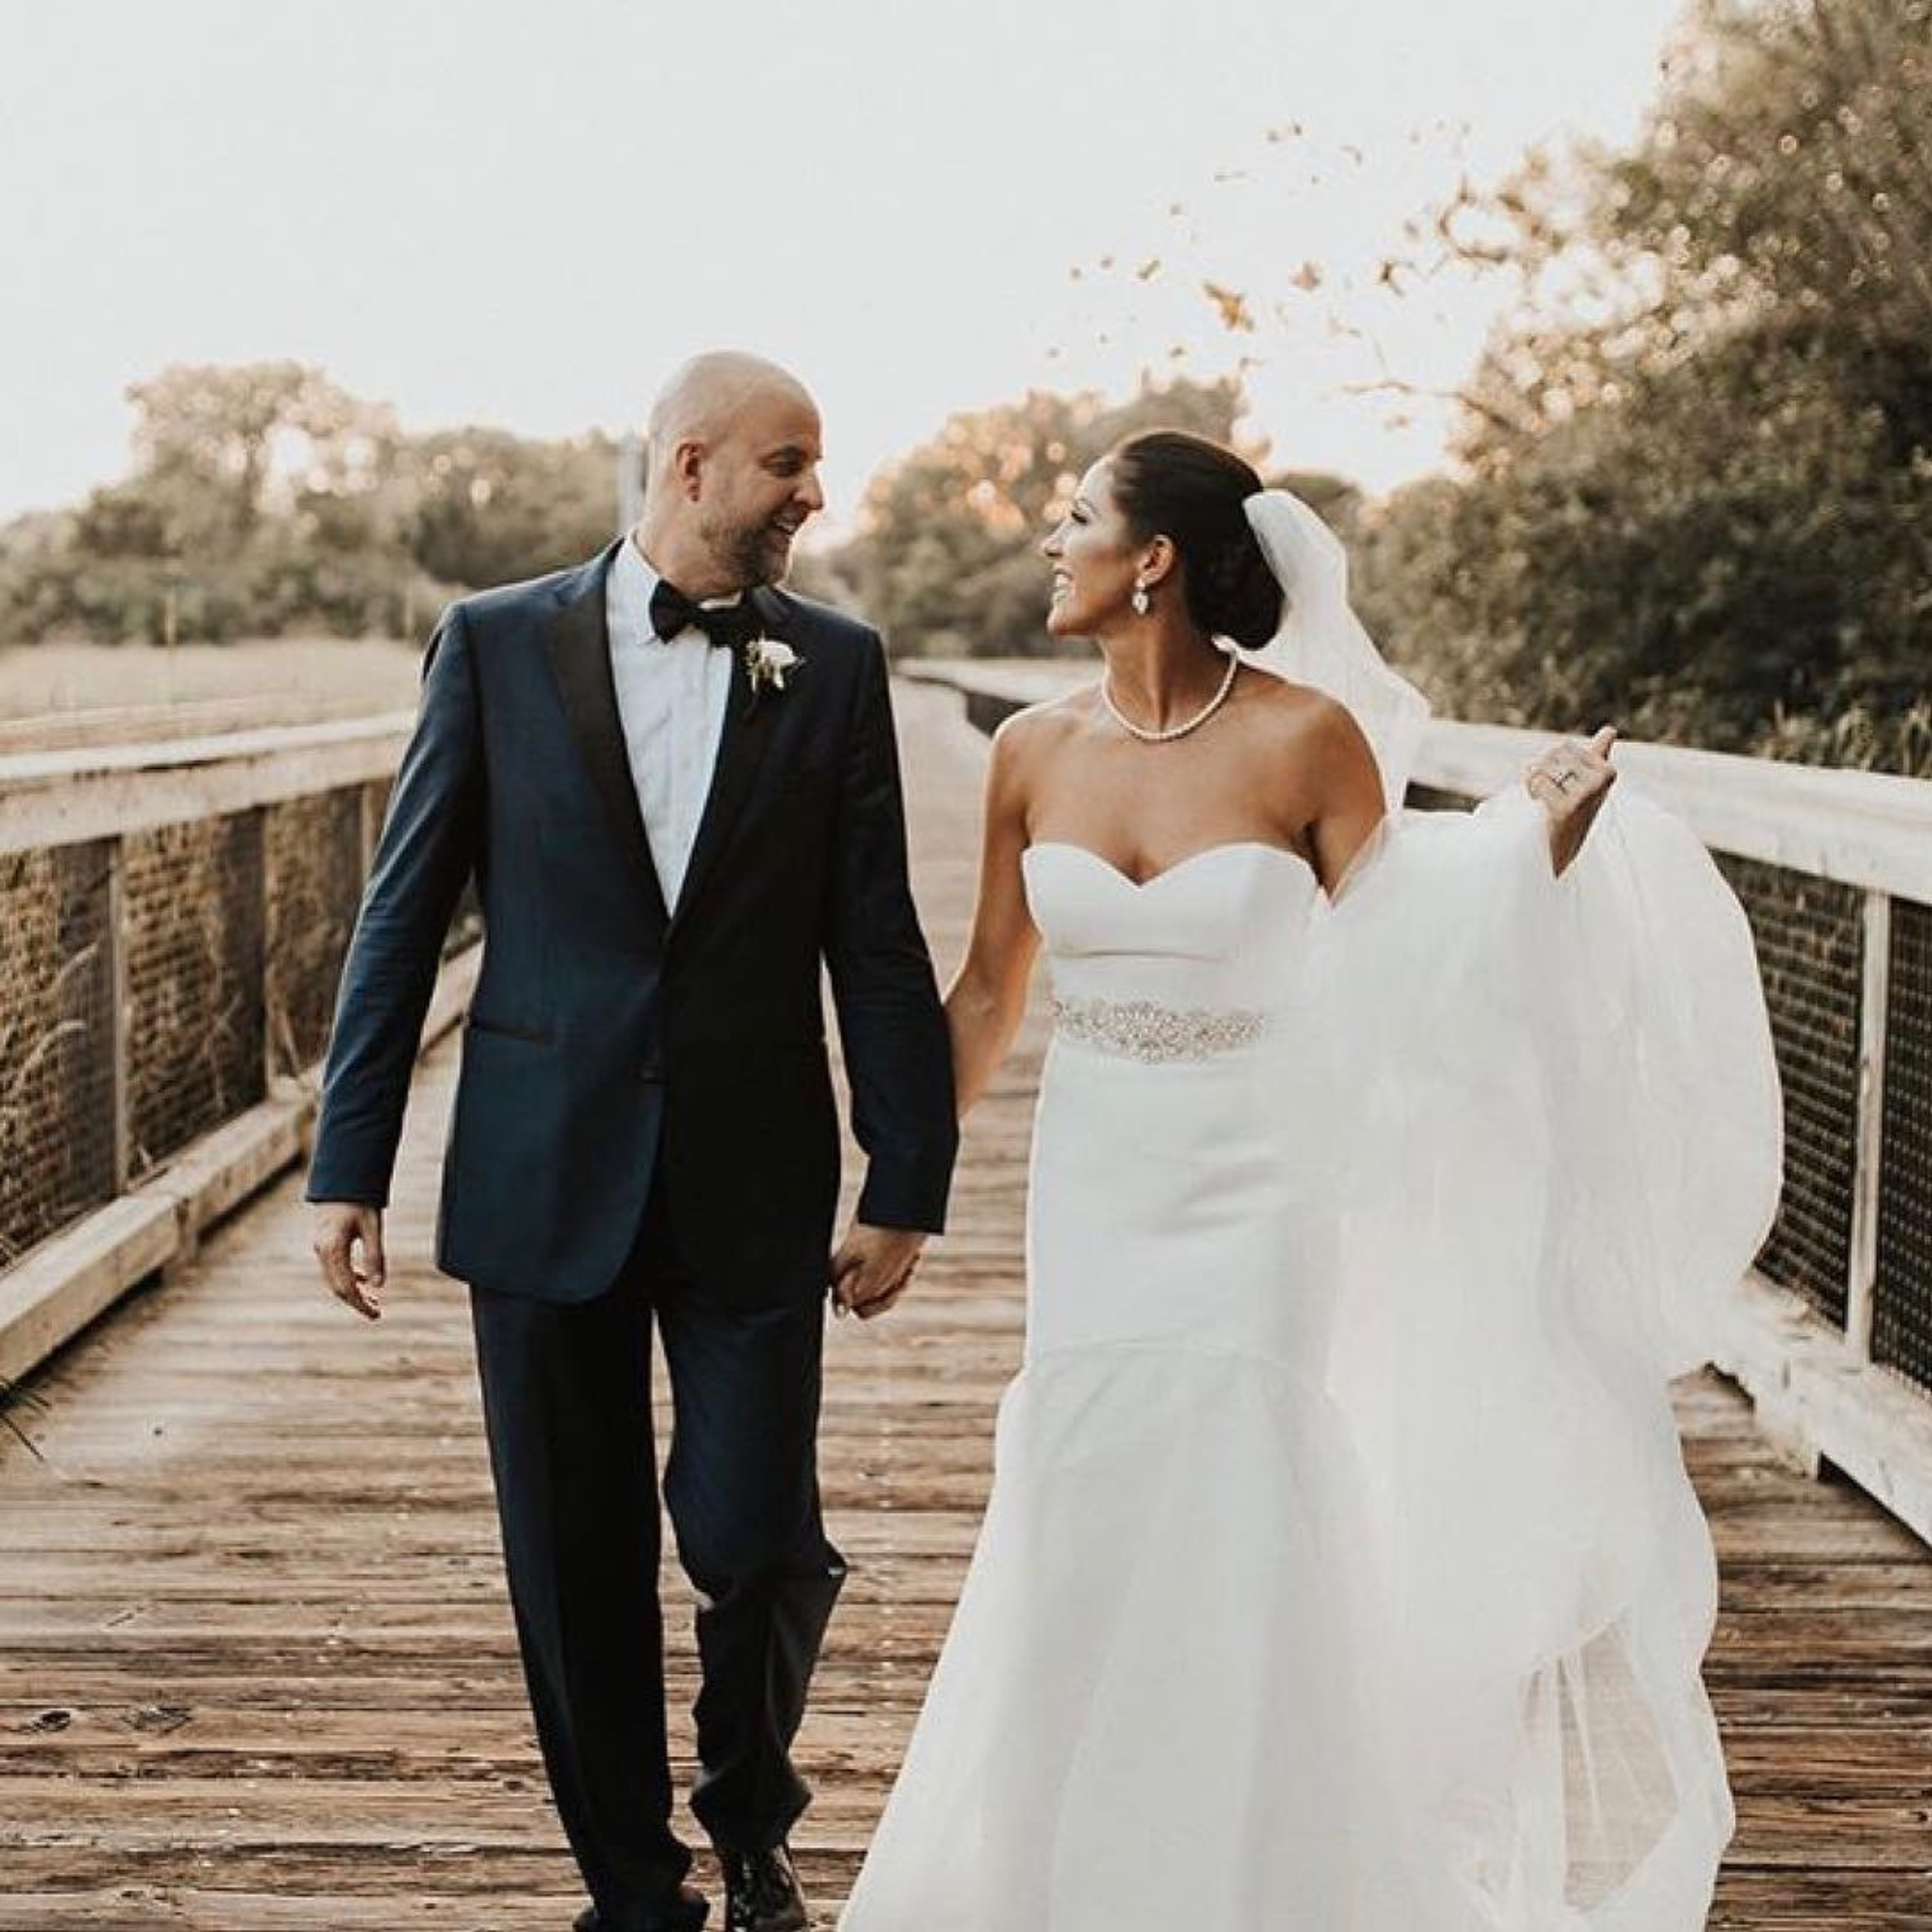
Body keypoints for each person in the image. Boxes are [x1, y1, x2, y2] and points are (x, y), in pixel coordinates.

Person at [837, 430, 1782, 1929]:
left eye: (1076, 517)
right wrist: (901, 1193)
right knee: (1084, 1486)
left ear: (1153, 560)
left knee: (1239, 1491)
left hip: (1259, 1189)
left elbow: (1417, 946)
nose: (1051, 542)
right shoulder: (1030, 750)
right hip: (1097, 1190)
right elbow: (987, 996)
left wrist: (1540, 835)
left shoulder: (1306, 740)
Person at [305, 352, 959, 1932]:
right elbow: (404, 919)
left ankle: (750, 1820)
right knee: (573, 1562)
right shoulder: (491, 644)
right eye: (789, 463)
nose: (817, 493)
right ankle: (634, 1890)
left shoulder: (841, 665)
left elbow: (875, 939)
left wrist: (906, 1179)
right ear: (687, 466)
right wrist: (349, 1160)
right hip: (541, 1169)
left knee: (759, 1539)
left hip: (754, 1179)